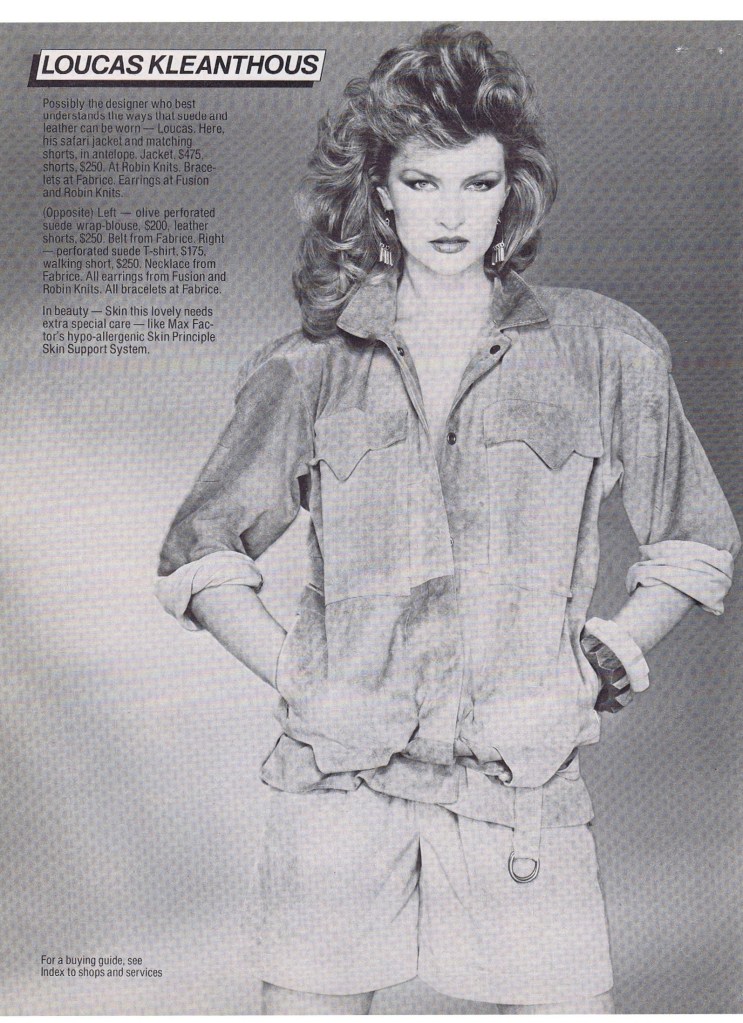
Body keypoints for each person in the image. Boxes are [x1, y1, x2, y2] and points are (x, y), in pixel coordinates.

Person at [155, 25, 740, 1015]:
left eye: (477, 182)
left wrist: (601, 655)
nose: (451, 212)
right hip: (337, 788)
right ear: (381, 191)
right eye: (422, 182)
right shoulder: (310, 366)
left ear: (513, 191)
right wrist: (302, 677)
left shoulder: (605, 351)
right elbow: (196, 554)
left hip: (519, 784)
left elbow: (694, 542)